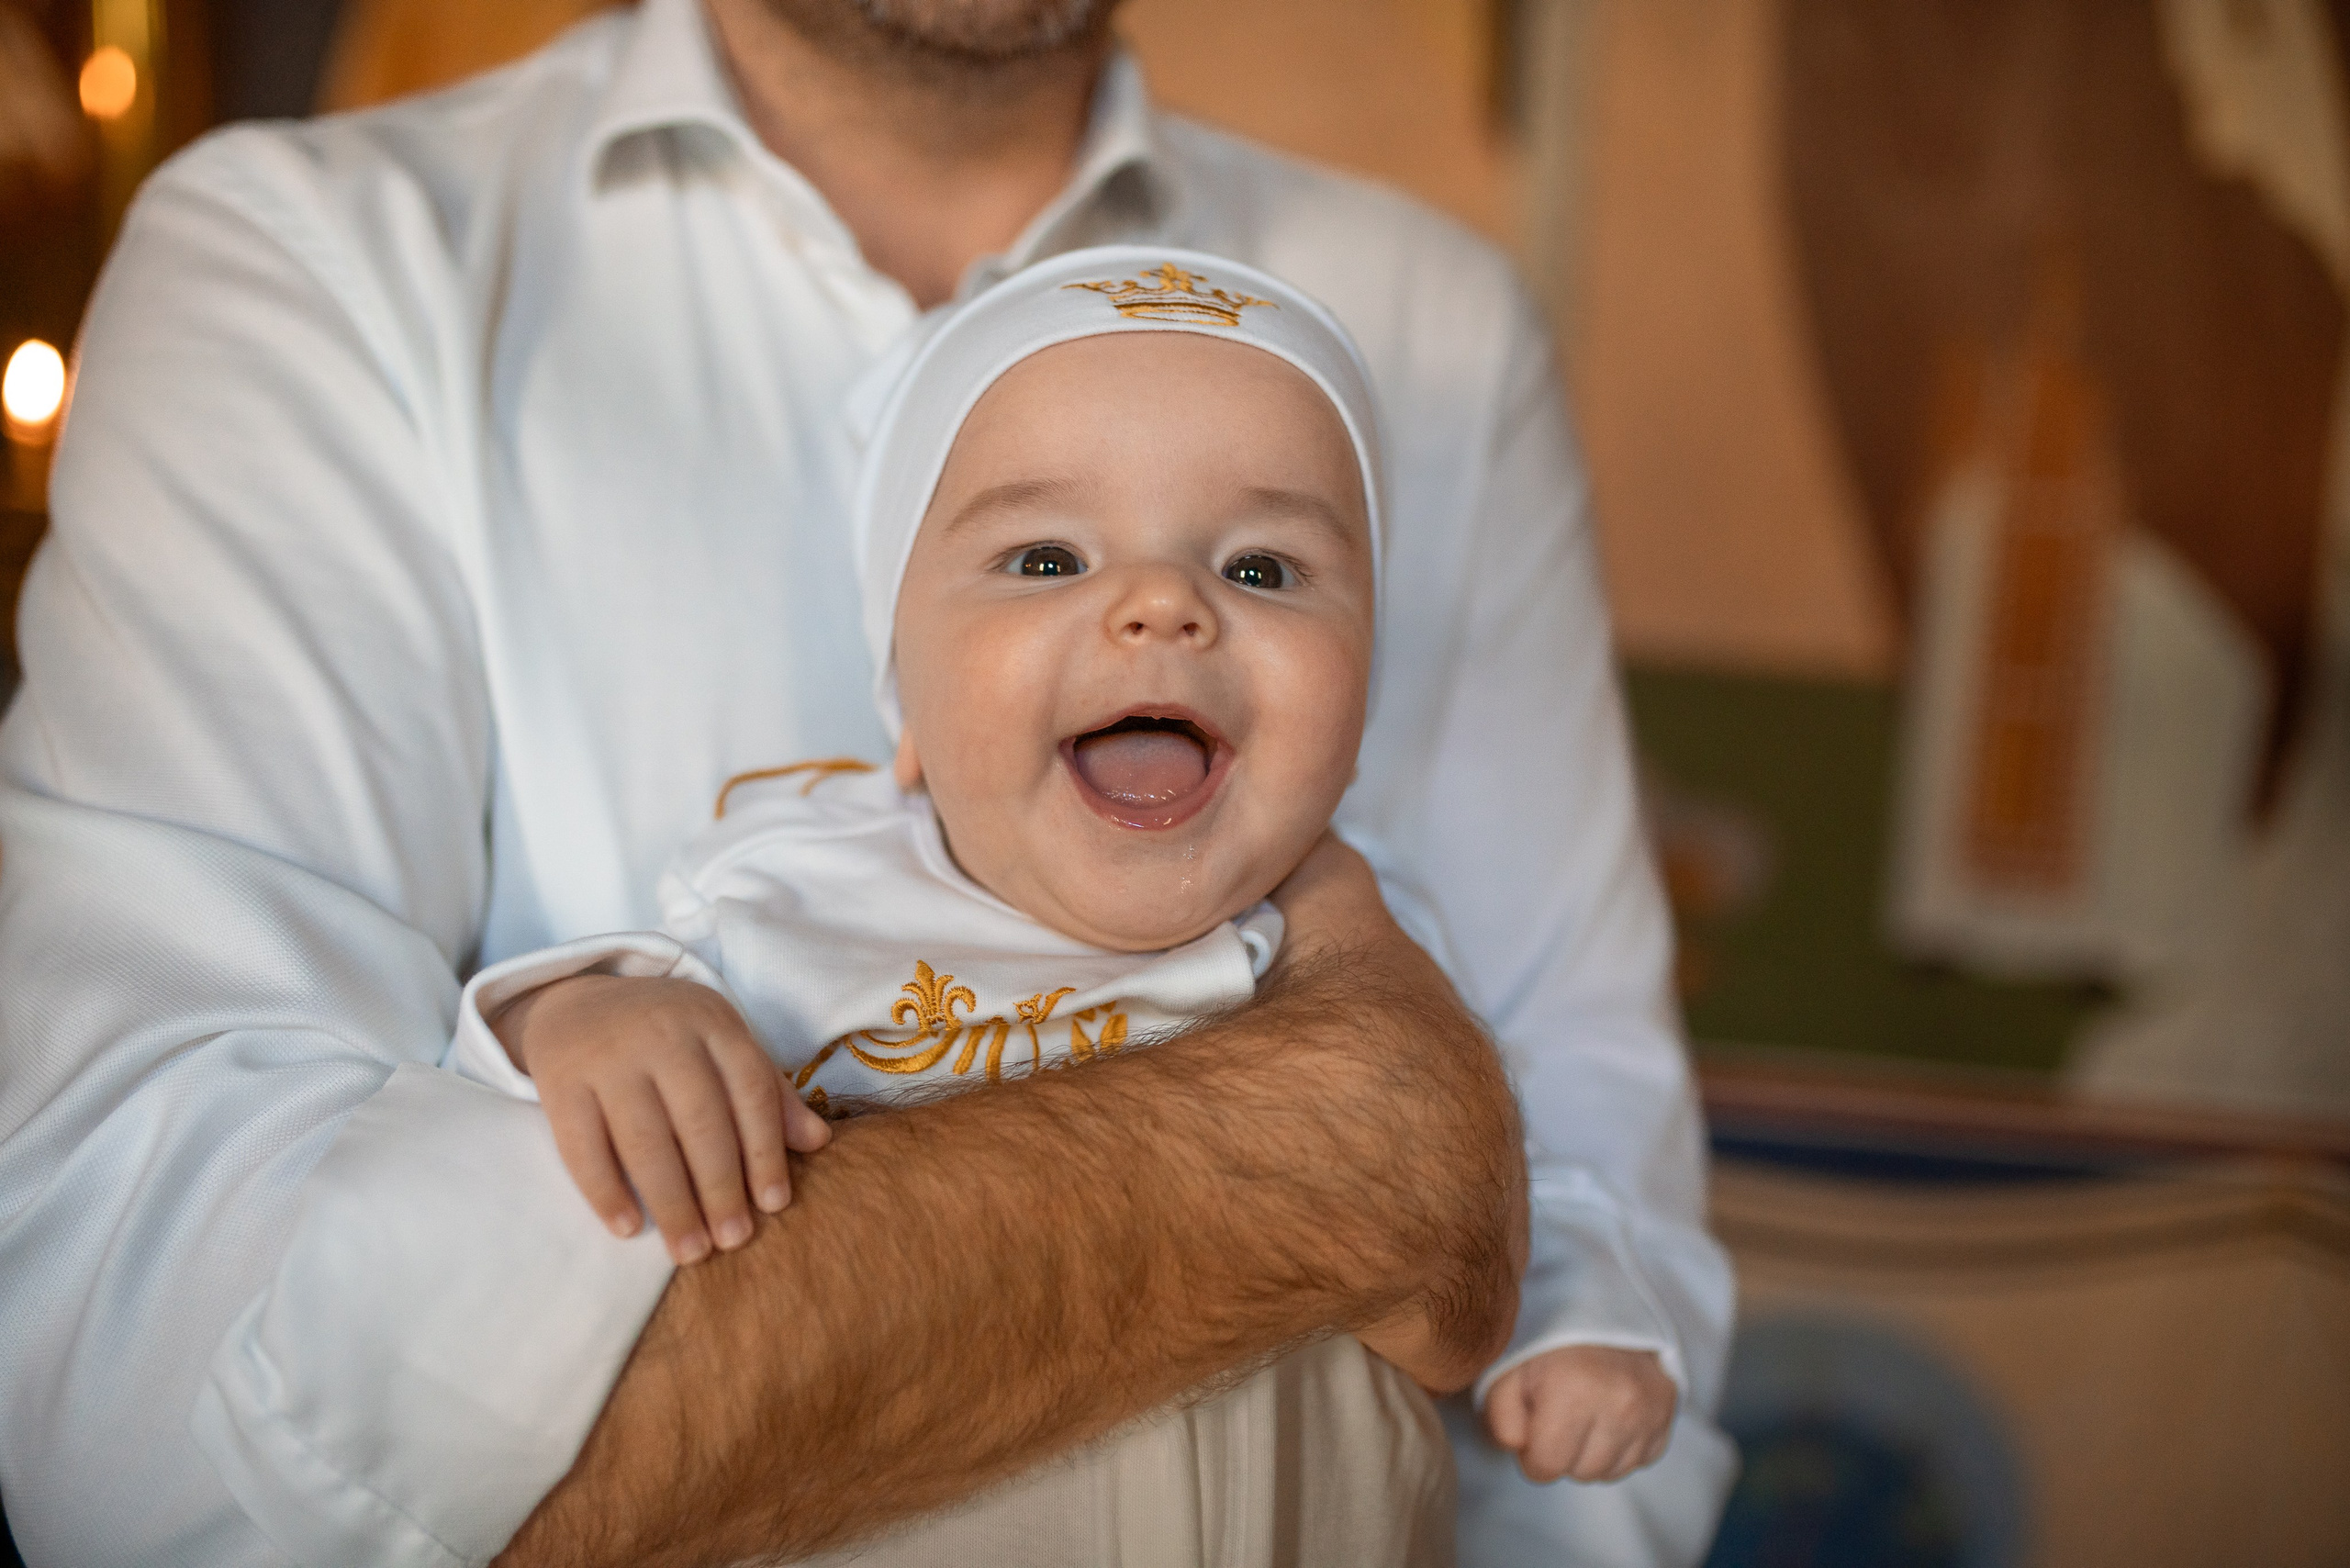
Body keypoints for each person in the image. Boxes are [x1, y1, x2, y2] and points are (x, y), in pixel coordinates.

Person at [0, 3, 1735, 1565]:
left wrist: (1561, 1292)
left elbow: (1571, 1146)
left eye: (1268, 573)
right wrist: (1350, 1132)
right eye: (1044, 557)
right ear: (900, 732)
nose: (1162, 611)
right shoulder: (309, 261)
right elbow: (154, 1439)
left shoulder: (1434, 328)